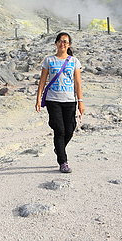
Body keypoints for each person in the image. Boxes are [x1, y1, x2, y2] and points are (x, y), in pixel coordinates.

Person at [35, 32, 84, 173]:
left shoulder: (74, 61)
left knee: (70, 130)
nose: (63, 44)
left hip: (69, 100)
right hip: (53, 100)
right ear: (56, 43)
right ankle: (63, 162)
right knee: (59, 130)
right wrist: (38, 98)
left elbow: (78, 83)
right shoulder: (49, 60)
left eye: (66, 42)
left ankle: (59, 148)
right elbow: (43, 81)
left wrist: (80, 102)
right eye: (61, 41)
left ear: (69, 45)